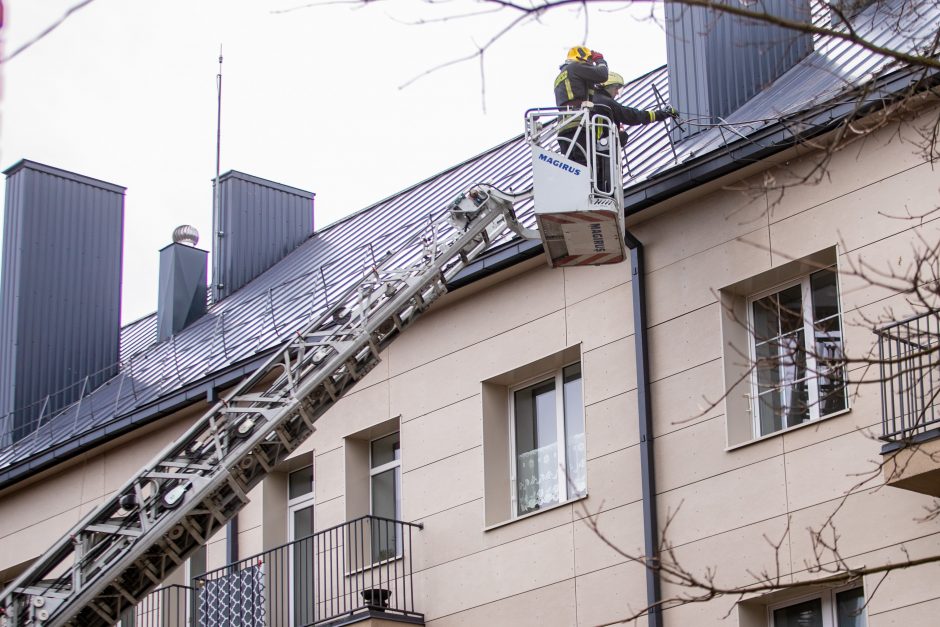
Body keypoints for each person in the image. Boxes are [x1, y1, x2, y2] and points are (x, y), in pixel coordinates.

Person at [591, 71, 679, 191]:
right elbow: (633, 116)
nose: (617, 92)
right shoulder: (605, 102)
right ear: (608, 86)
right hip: (600, 153)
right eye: (616, 88)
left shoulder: (594, 99)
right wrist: (662, 114)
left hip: (593, 153)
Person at [554, 46, 609, 165]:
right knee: (585, 165)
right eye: (589, 59)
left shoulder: (562, 75)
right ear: (580, 57)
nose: (590, 63)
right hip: (578, 122)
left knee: (572, 167)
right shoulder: (576, 66)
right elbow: (602, 75)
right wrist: (600, 60)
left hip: (564, 126)